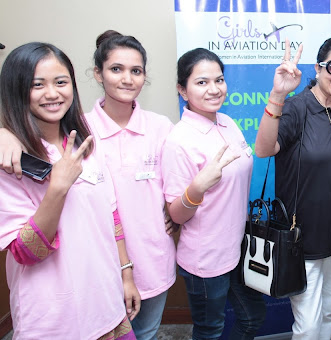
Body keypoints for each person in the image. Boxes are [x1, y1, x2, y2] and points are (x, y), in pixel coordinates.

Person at [0, 30, 177, 340]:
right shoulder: (13, 160)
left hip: (105, 300)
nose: (52, 93)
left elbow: (112, 215)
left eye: (60, 82)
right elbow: (26, 251)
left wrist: (125, 273)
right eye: (36, 85)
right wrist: (58, 187)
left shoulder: (83, 143)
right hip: (53, 316)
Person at [254, 37, 331, 340]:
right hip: (300, 242)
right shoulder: (296, 108)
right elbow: (264, 148)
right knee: (307, 325)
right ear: (318, 68)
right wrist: (278, 94)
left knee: (328, 313)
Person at [161, 48, 266, 340]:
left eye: (219, 80)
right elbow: (176, 214)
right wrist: (198, 187)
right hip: (205, 258)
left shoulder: (228, 123)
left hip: (237, 246)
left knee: (252, 316)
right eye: (202, 82)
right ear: (182, 90)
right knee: (210, 330)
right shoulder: (179, 141)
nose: (214, 89)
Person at [85, 30, 176, 340]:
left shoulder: (161, 127)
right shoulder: (79, 128)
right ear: (98, 73)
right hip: (98, 263)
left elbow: (178, 182)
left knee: (146, 333)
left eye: (136, 71)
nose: (127, 79)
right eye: (116, 69)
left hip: (152, 257)